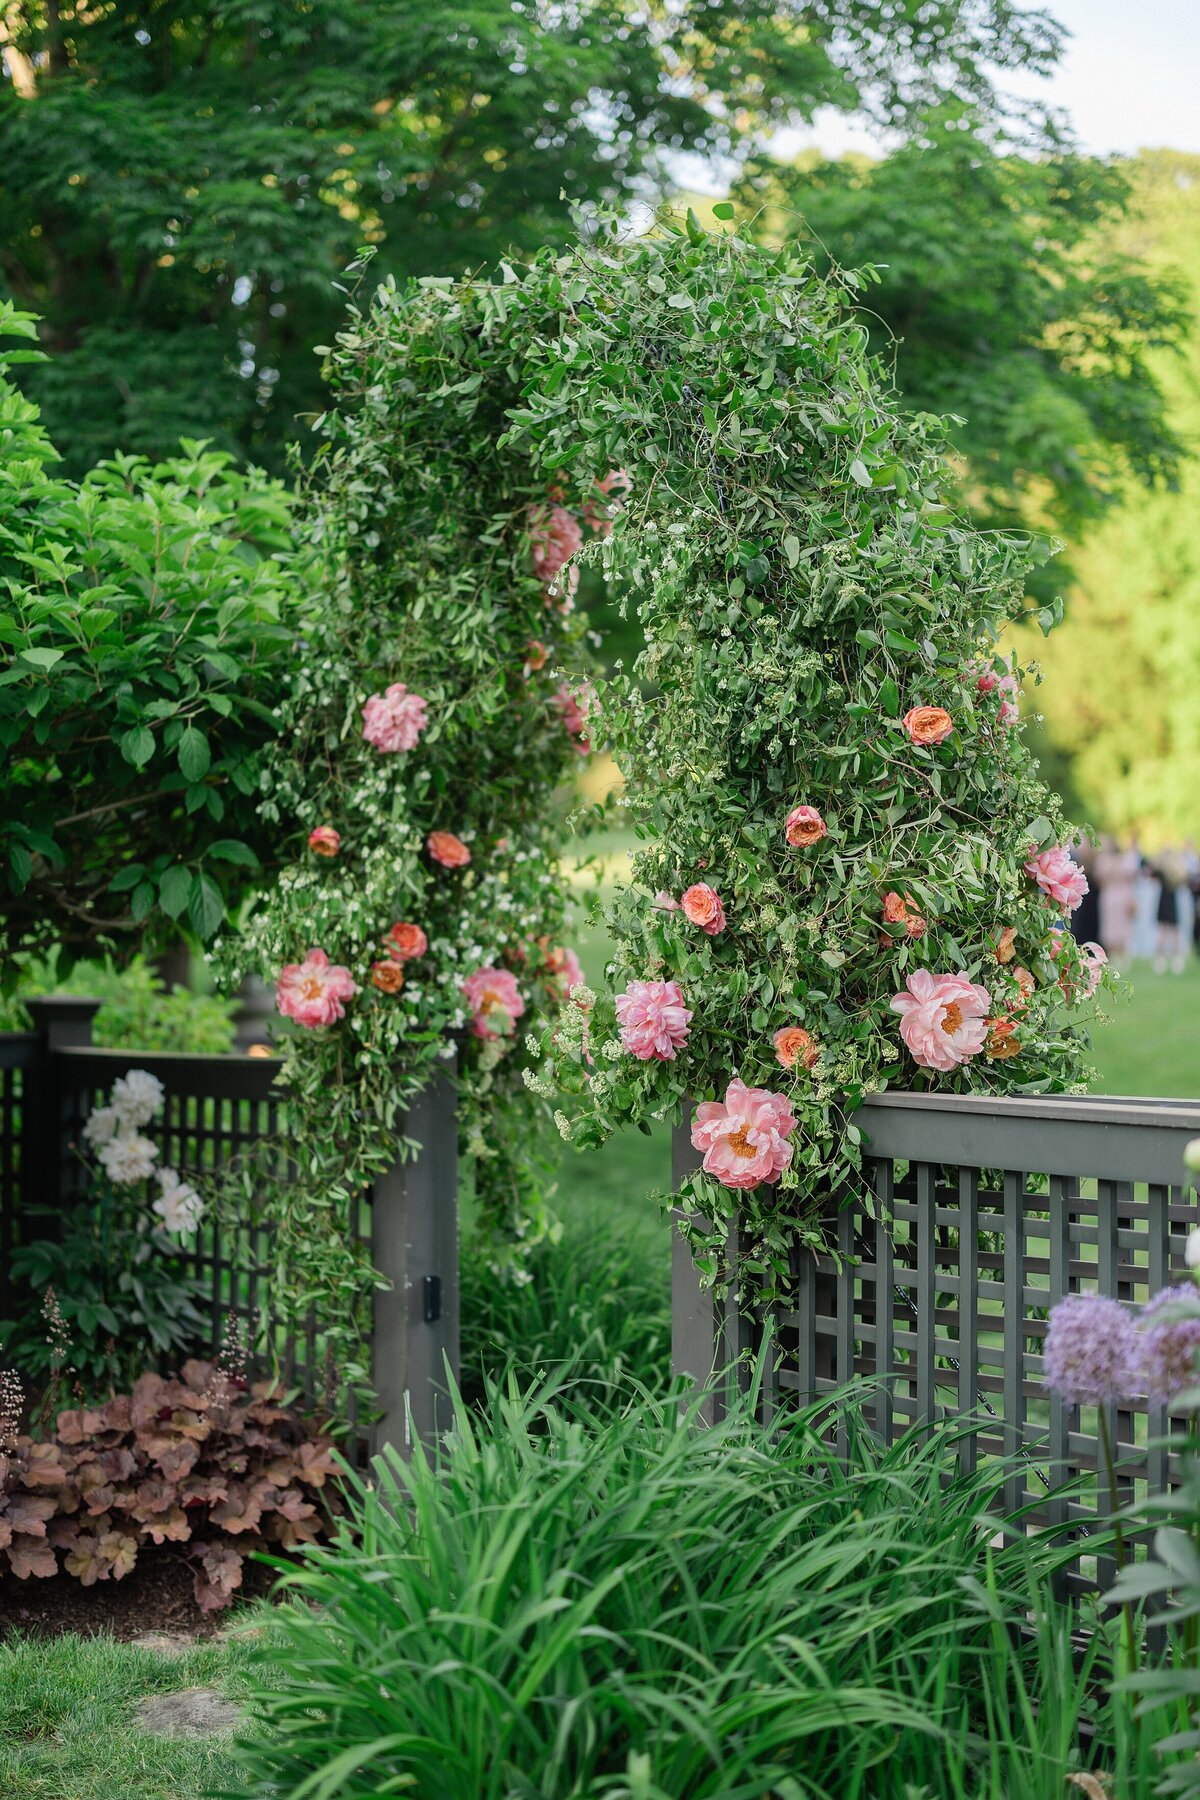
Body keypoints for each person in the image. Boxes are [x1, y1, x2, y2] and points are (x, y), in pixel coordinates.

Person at [1095, 835, 1137, 959]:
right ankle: (1113, 954)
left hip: (1121, 895)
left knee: (1123, 925)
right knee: (1110, 925)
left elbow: (1131, 878)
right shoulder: (1104, 860)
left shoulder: (1125, 860)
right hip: (1110, 895)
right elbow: (1100, 879)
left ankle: (1123, 954)